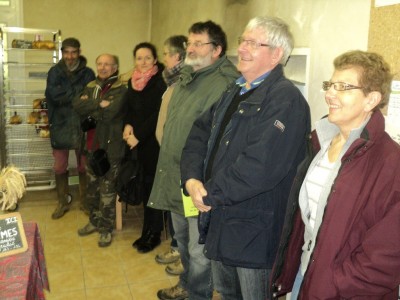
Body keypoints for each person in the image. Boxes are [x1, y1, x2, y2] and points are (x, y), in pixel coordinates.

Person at [180, 16, 310, 300]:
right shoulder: (235, 90)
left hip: (253, 233)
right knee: (227, 294)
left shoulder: (285, 100)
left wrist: (208, 193)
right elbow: (198, 134)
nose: (242, 49)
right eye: (243, 41)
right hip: (221, 219)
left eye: (253, 43)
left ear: (276, 54)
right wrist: (191, 179)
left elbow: (260, 167)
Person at [270, 50, 400, 299]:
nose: (330, 94)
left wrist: (334, 283)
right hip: (305, 276)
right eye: (331, 85)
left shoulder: (391, 164)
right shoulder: (320, 141)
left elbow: (387, 256)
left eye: (343, 87)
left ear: (371, 99)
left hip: (344, 291)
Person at [148, 20, 240, 300]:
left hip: (199, 182)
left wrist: (200, 181)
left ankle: (198, 294)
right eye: (190, 42)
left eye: (199, 43)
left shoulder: (224, 83)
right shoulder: (188, 77)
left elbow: (217, 140)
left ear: (217, 50)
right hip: (178, 175)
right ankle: (187, 285)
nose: (192, 48)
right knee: (184, 241)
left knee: (199, 248)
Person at [74, 54, 127, 247]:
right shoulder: (90, 86)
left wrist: (91, 106)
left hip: (110, 149)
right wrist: (98, 104)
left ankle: (105, 229)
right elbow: (77, 105)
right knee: (92, 190)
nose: (103, 67)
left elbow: (111, 112)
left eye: (107, 64)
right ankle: (94, 222)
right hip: (90, 147)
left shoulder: (121, 89)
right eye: (100, 64)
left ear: (115, 67)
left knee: (107, 191)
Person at [123, 42, 167, 253]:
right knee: (145, 186)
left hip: (153, 143)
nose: (143, 62)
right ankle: (146, 230)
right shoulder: (133, 81)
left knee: (153, 189)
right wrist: (128, 125)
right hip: (138, 143)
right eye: (139, 58)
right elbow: (130, 108)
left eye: (147, 58)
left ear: (155, 60)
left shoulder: (160, 82)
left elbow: (158, 114)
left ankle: (154, 233)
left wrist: (138, 135)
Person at [45, 37, 95, 219]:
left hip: (82, 126)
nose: (70, 56)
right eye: (66, 52)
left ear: (79, 53)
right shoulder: (54, 72)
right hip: (60, 124)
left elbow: (88, 97)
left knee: (84, 166)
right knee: (59, 167)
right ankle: (62, 202)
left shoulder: (88, 73)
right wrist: (76, 96)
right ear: (62, 53)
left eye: (74, 52)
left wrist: (70, 95)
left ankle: (85, 202)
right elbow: (53, 95)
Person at [154, 35, 188, 276]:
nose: (163, 57)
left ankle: (184, 259)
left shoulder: (184, 83)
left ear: (177, 56)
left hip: (181, 159)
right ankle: (177, 247)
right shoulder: (172, 81)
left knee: (184, 213)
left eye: (166, 53)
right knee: (175, 211)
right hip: (168, 154)